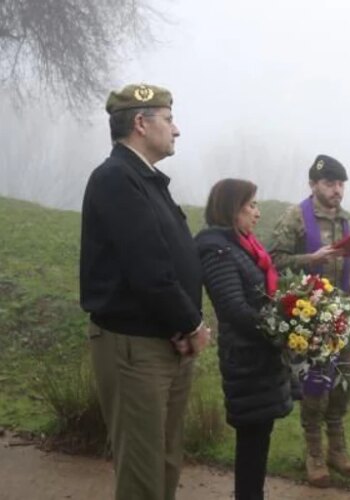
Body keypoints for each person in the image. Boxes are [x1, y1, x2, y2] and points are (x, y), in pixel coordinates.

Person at [80, 83, 212, 500]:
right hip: (134, 348)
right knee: (142, 473)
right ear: (141, 122)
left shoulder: (147, 180)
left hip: (164, 341)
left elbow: (168, 260)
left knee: (166, 463)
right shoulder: (116, 179)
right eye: (169, 119)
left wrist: (181, 326)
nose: (177, 130)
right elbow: (148, 268)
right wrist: (190, 323)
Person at [269, 154, 350, 487]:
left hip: (347, 311)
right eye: (330, 183)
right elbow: (274, 262)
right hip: (311, 314)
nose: (337, 190)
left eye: (341, 184)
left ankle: (338, 448)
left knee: (345, 381)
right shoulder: (295, 219)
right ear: (313, 185)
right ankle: (314, 453)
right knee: (316, 383)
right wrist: (311, 258)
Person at [194, 179, 294, 500]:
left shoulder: (244, 247)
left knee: (259, 439)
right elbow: (234, 309)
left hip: (261, 357)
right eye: (251, 205)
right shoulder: (218, 250)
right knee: (252, 442)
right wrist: (282, 327)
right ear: (231, 209)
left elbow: (260, 296)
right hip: (247, 361)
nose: (258, 213)